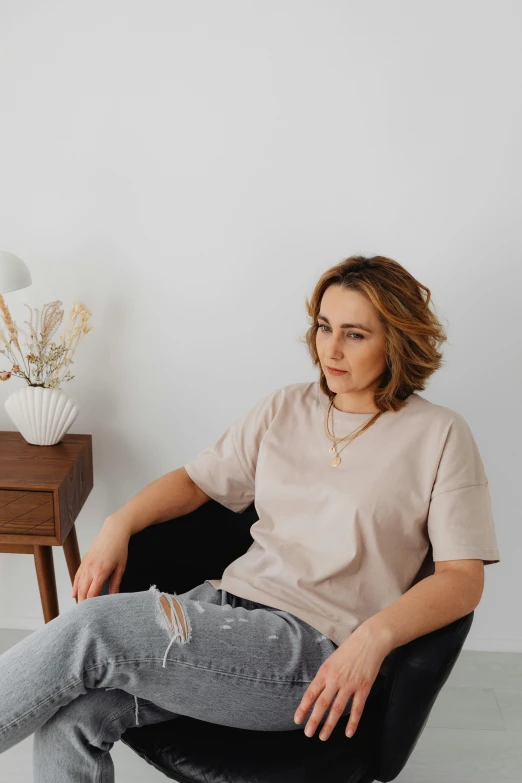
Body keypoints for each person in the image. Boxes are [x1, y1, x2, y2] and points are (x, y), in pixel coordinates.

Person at [0, 255, 500, 782]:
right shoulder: (287, 407)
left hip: (311, 650)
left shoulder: (440, 435)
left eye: (354, 334)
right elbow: (197, 481)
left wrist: (373, 638)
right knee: (73, 717)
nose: (329, 348)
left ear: (396, 341)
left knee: (93, 630)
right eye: (324, 327)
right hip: (220, 610)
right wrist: (117, 524)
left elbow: (461, 579)